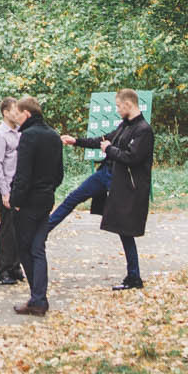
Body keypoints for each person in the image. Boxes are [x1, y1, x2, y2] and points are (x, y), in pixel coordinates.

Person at [58, 89, 155, 290]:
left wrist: (109, 150)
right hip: (107, 174)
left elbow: (132, 157)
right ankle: (44, 230)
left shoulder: (143, 130)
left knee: (125, 230)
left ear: (128, 104)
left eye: (119, 106)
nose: (117, 110)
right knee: (74, 198)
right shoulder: (124, 126)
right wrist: (76, 141)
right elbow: (102, 140)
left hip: (125, 184)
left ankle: (134, 277)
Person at [9, 95, 63, 316]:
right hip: (46, 198)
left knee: (25, 249)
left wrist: (16, 201)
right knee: (38, 249)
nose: (16, 117)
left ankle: (37, 298)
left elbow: (23, 174)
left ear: (27, 114)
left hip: (29, 201)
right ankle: (39, 299)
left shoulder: (28, 137)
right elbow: (59, 173)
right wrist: (49, 189)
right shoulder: (54, 135)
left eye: (18, 113)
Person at [0, 97, 24, 286]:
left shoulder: (20, 132)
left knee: (19, 228)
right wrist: (4, 191)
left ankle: (15, 266)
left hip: (20, 186)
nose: (17, 114)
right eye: (14, 110)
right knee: (7, 229)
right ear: (5, 112)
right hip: (7, 186)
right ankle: (3, 270)